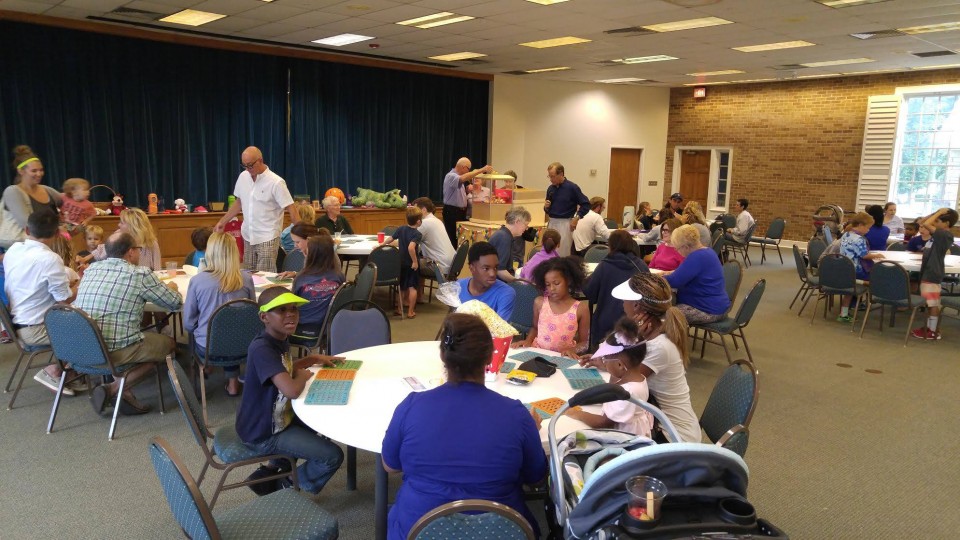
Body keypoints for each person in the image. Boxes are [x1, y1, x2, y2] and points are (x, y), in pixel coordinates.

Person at [382, 313, 548, 540]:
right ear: (490, 357)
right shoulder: (517, 415)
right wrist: (531, 431)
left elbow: (390, 466)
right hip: (501, 532)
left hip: (419, 528)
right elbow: (536, 478)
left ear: (443, 355)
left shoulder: (411, 405)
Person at [236, 286, 345, 495]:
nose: (291, 314)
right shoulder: (262, 348)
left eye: (294, 309)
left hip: (276, 421)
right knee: (332, 456)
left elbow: (283, 368)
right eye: (282, 310)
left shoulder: (279, 338)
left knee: (318, 421)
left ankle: (273, 468)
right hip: (263, 434)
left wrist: (312, 359)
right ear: (264, 317)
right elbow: (292, 390)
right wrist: (303, 375)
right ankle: (285, 484)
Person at [74, 232, 182, 415]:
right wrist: (172, 287)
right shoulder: (139, 274)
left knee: (125, 332)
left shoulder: (91, 270)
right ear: (131, 252)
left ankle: (124, 391)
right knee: (170, 346)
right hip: (115, 350)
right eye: (138, 250)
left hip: (82, 346)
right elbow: (175, 302)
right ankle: (115, 388)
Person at [607, 273, 701, 443]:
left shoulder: (657, 346)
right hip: (659, 423)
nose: (622, 305)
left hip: (672, 437)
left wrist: (631, 342)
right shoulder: (658, 330)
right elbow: (612, 358)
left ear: (636, 305)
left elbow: (616, 387)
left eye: (624, 301)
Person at [3, 209, 79, 394]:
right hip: (35, 329)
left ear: (27, 230)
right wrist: (83, 284)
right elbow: (64, 298)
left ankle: (71, 373)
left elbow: (32, 284)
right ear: (56, 233)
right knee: (95, 330)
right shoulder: (50, 258)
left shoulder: (13, 250)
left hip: (17, 323)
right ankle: (55, 371)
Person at [182, 232, 256, 397]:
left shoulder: (198, 281)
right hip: (243, 345)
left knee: (209, 333)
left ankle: (205, 367)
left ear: (210, 252)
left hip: (210, 348)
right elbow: (252, 313)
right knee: (232, 330)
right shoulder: (246, 278)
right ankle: (233, 383)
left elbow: (188, 323)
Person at [215, 146, 299, 272]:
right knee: (248, 276)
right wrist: (222, 222)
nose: (248, 169)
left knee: (265, 277)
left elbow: (291, 208)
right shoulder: (243, 177)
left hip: (267, 236)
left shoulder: (276, 182)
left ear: (260, 160)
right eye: (244, 165)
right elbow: (238, 202)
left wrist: (302, 233)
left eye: (250, 165)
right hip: (248, 236)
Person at [567, 317, 654, 438]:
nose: (603, 362)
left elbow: (603, 422)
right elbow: (612, 389)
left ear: (619, 365)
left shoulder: (628, 391)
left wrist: (577, 414)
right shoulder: (637, 378)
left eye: (605, 359)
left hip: (625, 441)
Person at [584, 230, 649, 350]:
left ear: (611, 246)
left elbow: (590, 293)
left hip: (606, 322)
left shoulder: (605, 265)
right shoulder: (641, 266)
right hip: (634, 322)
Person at [511, 257, 590, 356]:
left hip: (563, 357)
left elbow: (585, 342)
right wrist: (528, 341)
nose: (552, 288)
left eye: (556, 283)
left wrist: (573, 350)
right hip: (538, 353)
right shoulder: (539, 302)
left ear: (568, 281)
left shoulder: (581, 308)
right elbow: (535, 328)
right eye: (548, 285)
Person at [664, 224, 730, 325]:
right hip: (718, 306)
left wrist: (656, 277)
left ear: (685, 247)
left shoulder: (696, 257)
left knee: (663, 314)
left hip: (708, 310)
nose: (677, 252)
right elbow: (686, 273)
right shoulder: (708, 252)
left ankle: (670, 340)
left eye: (677, 249)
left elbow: (674, 281)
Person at [911, 208, 959, 340]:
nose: (934, 223)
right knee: (929, 302)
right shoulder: (937, 234)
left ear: (946, 223)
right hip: (927, 272)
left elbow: (926, 224)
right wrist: (936, 213)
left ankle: (932, 331)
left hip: (932, 273)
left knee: (932, 303)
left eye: (937, 221)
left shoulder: (945, 235)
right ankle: (929, 327)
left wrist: (937, 213)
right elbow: (922, 222)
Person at [0, 145, 61, 249]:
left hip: (44, 247)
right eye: (34, 171)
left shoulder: (48, 190)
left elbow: (66, 202)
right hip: (19, 249)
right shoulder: (12, 192)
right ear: (21, 171)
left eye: (41, 170)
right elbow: (30, 226)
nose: (39, 174)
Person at [289, 235, 345, 347]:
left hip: (302, 330)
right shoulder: (339, 276)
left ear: (311, 255)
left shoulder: (301, 278)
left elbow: (291, 304)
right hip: (329, 328)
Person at [836, 212, 885, 323]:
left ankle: (844, 314)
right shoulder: (859, 239)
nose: (868, 230)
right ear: (860, 225)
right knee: (876, 277)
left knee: (848, 292)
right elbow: (864, 255)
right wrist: (876, 256)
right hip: (857, 270)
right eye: (868, 228)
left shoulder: (846, 235)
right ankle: (862, 287)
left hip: (845, 269)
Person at [83, 208, 162, 270]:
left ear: (132, 225)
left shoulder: (151, 242)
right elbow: (103, 249)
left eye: (121, 222)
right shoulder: (119, 236)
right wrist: (85, 259)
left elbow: (157, 268)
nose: (118, 225)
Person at [380, 207, 422, 318]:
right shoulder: (417, 234)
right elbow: (411, 248)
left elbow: (391, 239)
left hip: (401, 262)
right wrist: (415, 262)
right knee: (412, 287)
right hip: (411, 264)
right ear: (418, 221)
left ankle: (399, 309)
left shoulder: (401, 228)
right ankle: (410, 311)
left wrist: (382, 245)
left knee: (402, 287)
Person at [457, 242, 515, 321]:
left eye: (495, 268)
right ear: (472, 268)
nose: (492, 274)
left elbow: (500, 330)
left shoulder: (506, 293)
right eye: (486, 268)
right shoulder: (457, 287)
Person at [442, 157, 493, 245]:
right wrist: (482, 170)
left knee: (460, 238)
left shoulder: (459, 179)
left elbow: (457, 194)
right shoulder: (451, 176)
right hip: (452, 212)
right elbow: (462, 179)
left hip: (460, 212)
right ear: (463, 167)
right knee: (453, 239)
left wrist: (466, 191)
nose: (469, 172)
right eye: (468, 169)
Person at [544, 162, 590, 257]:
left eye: (553, 176)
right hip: (551, 222)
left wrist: (576, 218)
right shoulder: (550, 189)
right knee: (548, 252)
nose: (551, 179)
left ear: (561, 174)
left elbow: (586, 204)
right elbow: (547, 210)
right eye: (549, 176)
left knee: (562, 253)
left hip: (565, 224)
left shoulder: (572, 188)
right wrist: (546, 207)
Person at [412, 197, 456, 279]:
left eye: (415, 211)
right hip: (452, 264)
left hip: (439, 266)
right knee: (418, 260)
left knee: (409, 264)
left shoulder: (424, 223)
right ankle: (418, 291)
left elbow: (408, 241)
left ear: (423, 210)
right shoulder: (437, 220)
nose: (413, 214)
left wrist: (387, 241)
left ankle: (411, 291)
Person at [487, 207, 531, 283]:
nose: (526, 229)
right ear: (517, 222)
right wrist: (517, 281)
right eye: (526, 225)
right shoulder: (504, 238)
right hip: (495, 284)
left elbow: (502, 264)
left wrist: (515, 269)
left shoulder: (504, 234)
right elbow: (500, 270)